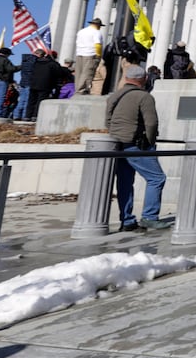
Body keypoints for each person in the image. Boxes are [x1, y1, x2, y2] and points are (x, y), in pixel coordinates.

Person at [105, 64, 170, 231]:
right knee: (157, 178)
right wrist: (149, 141)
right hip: (136, 143)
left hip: (117, 143)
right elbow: (151, 122)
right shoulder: (144, 97)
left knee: (125, 181)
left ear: (126, 78)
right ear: (144, 79)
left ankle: (126, 220)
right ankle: (150, 217)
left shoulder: (115, 96)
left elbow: (108, 120)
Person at [27, 49, 69, 121]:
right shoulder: (53, 64)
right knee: (40, 101)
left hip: (33, 84)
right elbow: (59, 74)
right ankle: (35, 116)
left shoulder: (36, 62)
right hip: (45, 85)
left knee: (31, 100)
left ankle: (27, 116)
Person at [73, 17, 104, 94]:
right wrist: (99, 55)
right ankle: (82, 89)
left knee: (79, 73)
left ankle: (77, 89)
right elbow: (98, 44)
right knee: (87, 73)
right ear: (98, 25)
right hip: (91, 54)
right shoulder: (96, 32)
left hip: (79, 53)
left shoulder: (81, 31)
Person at [12, 50, 37, 120]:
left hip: (22, 82)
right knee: (27, 101)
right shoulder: (34, 63)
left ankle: (16, 115)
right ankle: (24, 115)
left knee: (21, 100)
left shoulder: (24, 62)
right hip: (30, 83)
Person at [0, 46, 19, 118]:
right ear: (6, 54)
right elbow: (11, 69)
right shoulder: (5, 60)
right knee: (1, 98)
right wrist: (22, 66)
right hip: (2, 81)